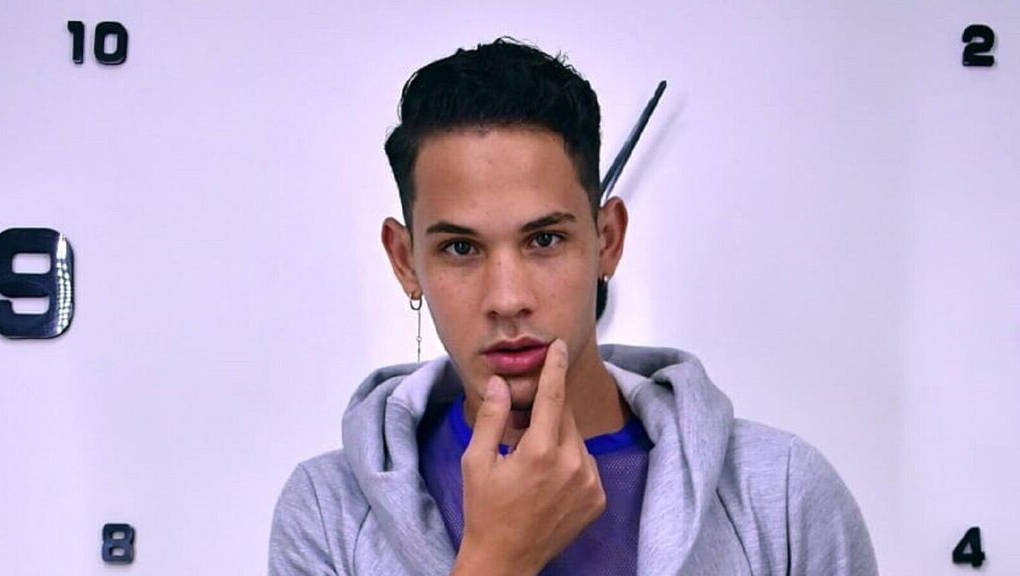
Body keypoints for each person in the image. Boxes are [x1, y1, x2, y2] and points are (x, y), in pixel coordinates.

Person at [269, 38, 878, 575]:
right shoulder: (329, 513)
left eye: (544, 240)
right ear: (405, 262)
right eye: (460, 248)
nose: (507, 299)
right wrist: (497, 559)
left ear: (606, 240)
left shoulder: (783, 498)